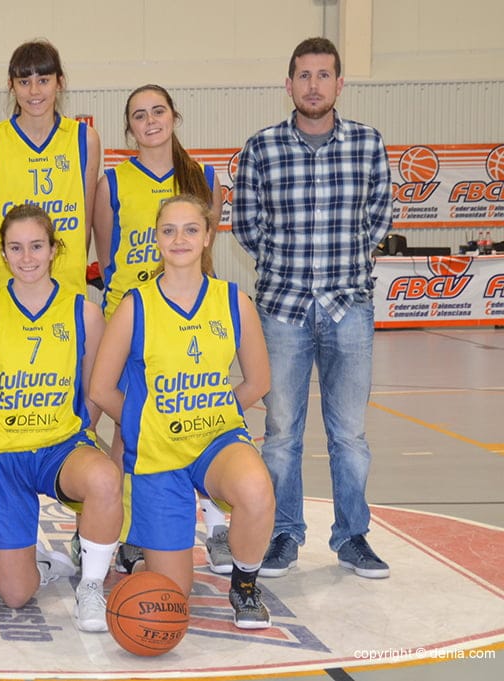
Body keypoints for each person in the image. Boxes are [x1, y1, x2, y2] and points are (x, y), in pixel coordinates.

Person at [231, 37, 393, 580]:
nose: (314, 85)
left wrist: (341, 270)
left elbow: (377, 220)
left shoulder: (369, 145)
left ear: (340, 84)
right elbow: (247, 228)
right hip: (283, 310)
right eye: (304, 75)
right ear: (289, 84)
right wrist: (291, 269)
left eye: (324, 75)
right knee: (280, 434)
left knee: (349, 435)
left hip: (350, 309)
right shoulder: (262, 148)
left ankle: (352, 537)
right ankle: (283, 533)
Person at [89, 194, 275, 629]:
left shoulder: (234, 301)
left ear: (208, 236)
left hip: (217, 441)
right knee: (170, 601)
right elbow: (100, 387)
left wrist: (216, 412)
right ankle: (137, 548)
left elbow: (258, 381)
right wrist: (146, 424)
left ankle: (245, 584)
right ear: (156, 239)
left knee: (256, 490)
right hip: (159, 455)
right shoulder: (136, 305)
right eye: (168, 230)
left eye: (191, 229)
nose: (180, 239)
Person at [0, 203, 121, 633]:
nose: (26, 257)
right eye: (16, 248)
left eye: (36, 246)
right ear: (2, 253)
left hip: (61, 447)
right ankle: (47, 563)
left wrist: (66, 427)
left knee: (105, 478)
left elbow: (93, 392)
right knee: (14, 595)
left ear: (54, 250)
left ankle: (90, 585)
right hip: (3, 456)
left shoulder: (83, 313)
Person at [90, 85, 230, 575]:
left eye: (158, 111)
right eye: (139, 115)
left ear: (174, 116)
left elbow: (205, 252)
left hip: (189, 314)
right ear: (129, 128)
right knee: (129, 428)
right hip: (134, 316)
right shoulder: (112, 182)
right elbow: (108, 256)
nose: (150, 121)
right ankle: (128, 530)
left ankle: (217, 527)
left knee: (201, 418)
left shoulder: (203, 177)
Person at [0, 39, 100, 296]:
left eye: (43, 80)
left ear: (59, 82)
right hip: (7, 288)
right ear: (11, 85)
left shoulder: (85, 139)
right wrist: (6, 270)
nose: (34, 91)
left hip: (66, 288)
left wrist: (69, 268)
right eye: (24, 82)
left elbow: (84, 223)